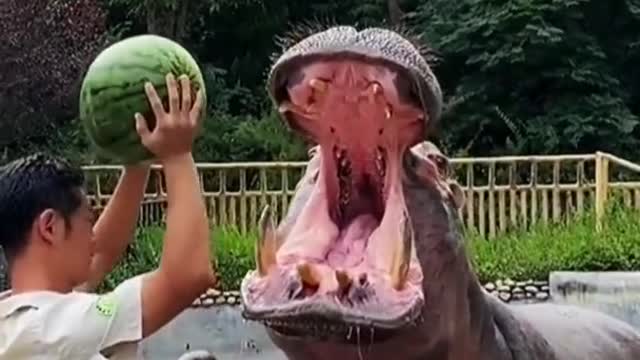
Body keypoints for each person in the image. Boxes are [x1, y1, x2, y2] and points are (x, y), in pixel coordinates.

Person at [0, 73, 217, 359]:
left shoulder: (19, 316)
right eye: (87, 223)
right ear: (49, 227)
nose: (92, 239)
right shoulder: (49, 330)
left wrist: (137, 161)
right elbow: (188, 275)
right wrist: (177, 154)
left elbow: (101, 251)